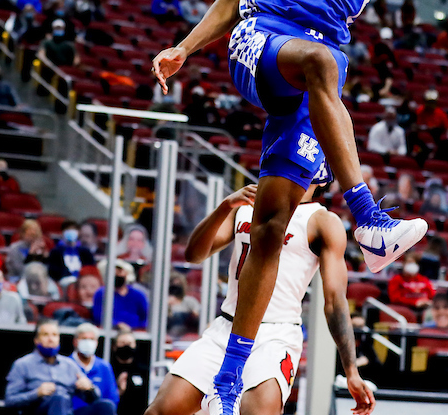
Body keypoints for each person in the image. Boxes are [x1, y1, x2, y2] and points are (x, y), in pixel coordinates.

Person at [150, 0, 448, 415]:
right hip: (263, 42)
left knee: (272, 225)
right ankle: (369, 218)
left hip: (315, 80)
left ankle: (228, 374)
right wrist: (185, 47)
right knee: (323, 63)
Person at [145, 173, 374, 415]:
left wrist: (351, 371)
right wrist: (225, 206)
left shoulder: (323, 221)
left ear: (322, 178)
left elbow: (335, 301)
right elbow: (194, 254)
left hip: (275, 334)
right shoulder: (247, 205)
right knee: (158, 412)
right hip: (227, 326)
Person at [6, 319, 100, 415]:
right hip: (37, 410)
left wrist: (89, 388)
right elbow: (10, 401)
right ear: (36, 340)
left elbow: (94, 398)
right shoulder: (22, 365)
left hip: (67, 410)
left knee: (105, 406)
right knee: (59, 397)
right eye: (46, 335)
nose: (51, 339)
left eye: (54, 335)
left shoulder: (69, 365)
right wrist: (36, 393)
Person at [70, 323, 120, 414]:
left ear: (97, 342)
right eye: (84, 339)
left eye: (91, 339)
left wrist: (91, 389)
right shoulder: (66, 364)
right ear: (75, 342)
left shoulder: (104, 367)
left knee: (107, 406)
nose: (88, 342)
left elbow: (113, 400)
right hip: (72, 412)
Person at [92, 259, 148, 329]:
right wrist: (117, 325)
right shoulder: (101, 293)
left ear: (126, 273)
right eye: (114, 272)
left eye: (120, 271)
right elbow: (99, 316)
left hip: (137, 333)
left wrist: (135, 328)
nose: (117, 274)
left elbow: (146, 317)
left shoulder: (138, 295)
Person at [112, 327, 149, 415]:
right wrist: (118, 391)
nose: (126, 346)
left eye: (129, 343)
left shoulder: (144, 370)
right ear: (114, 346)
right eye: (122, 343)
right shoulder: (110, 369)